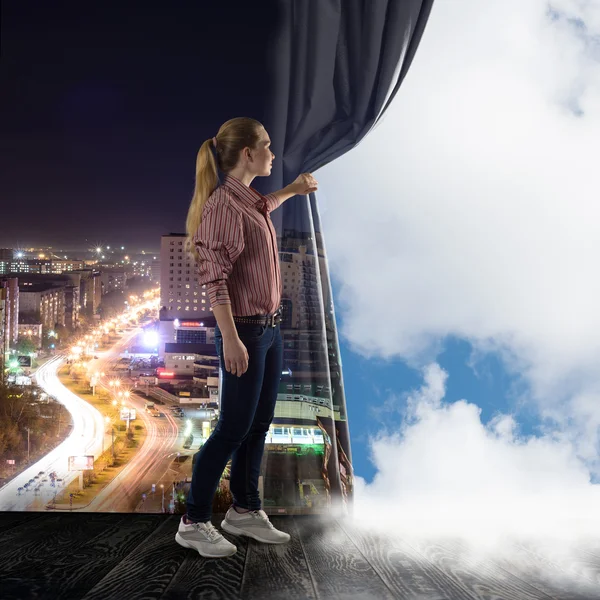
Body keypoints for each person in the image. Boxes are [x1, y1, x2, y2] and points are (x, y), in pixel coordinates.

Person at [174, 117, 318, 558]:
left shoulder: (248, 201)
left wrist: (292, 190)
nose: (273, 154)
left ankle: (244, 511)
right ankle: (194, 521)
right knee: (230, 430)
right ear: (247, 154)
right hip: (247, 333)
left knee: (258, 425)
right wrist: (230, 338)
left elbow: (263, 209)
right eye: (267, 146)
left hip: (269, 330)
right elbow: (214, 280)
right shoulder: (222, 207)